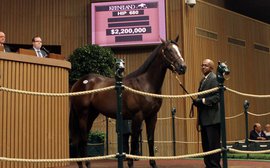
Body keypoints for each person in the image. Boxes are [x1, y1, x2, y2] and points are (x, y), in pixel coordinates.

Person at [193, 59, 221, 168]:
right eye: (202, 65)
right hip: (204, 119)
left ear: (211, 68)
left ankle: (214, 166)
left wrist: (202, 101)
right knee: (206, 146)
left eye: (206, 65)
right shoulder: (203, 80)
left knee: (213, 146)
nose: (203, 67)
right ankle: (208, 165)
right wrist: (198, 102)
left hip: (212, 119)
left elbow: (217, 97)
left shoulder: (214, 79)